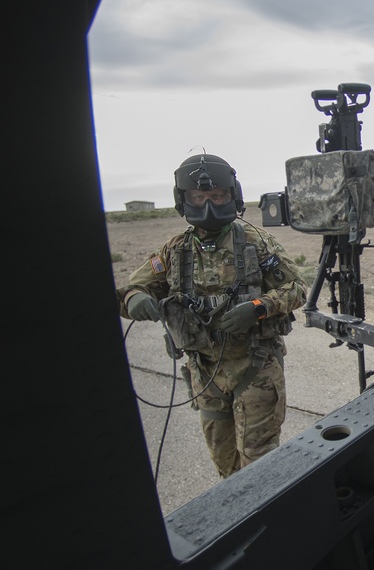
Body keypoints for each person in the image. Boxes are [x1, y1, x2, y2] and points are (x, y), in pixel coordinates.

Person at [117, 153, 307, 478]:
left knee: (260, 463)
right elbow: (133, 289)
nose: (208, 203)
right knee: (224, 464)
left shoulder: (256, 243)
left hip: (255, 367)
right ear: (184, 199)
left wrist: (259, 308)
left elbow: (297, 289)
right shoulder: (175, 250)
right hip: (205, 374)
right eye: (199, 196)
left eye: (216, 195)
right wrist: (135, 298)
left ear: (231, 195)